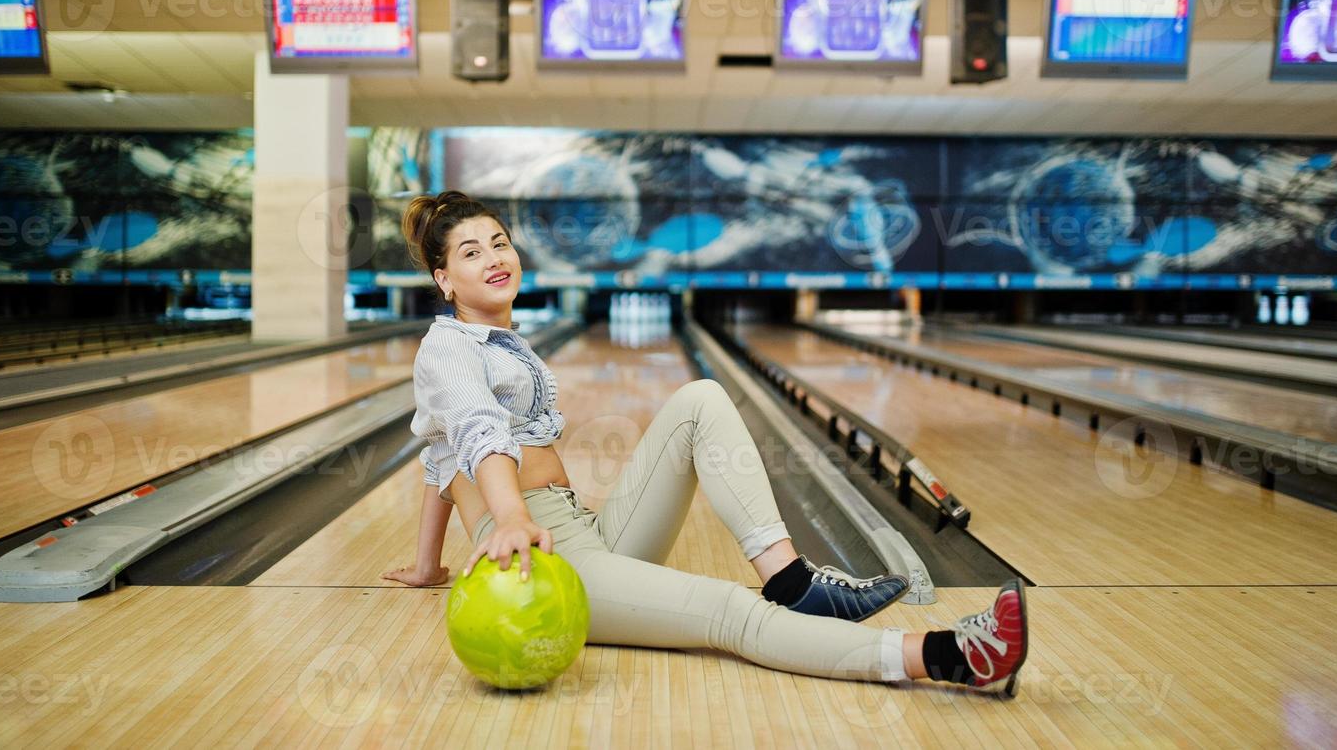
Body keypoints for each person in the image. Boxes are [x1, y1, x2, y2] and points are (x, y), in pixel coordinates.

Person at [383, 190, 1027, 694]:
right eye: (470, 253)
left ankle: (791, 577)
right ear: (443, 281)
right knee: (726, 612)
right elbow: (475, 434)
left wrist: (426, 564)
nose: (495, 258)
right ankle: (951, 657)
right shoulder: (447, 348)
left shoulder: (498, 343)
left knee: (701, 400)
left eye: (499, 243)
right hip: (546, 563)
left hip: (585, 532)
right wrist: (512, 516)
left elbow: (436, 461)